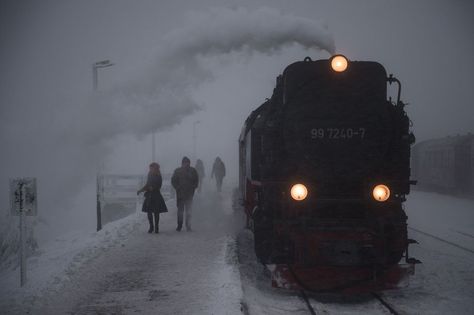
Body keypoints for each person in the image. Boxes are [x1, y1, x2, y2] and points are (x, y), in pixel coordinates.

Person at [137, 162, 168, 233]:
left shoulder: (158, 175)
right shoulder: (149, 174)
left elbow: (159, 185)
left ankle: (156, 227)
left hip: (156, 195)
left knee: (156, 212)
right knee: (149, 212)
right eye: (150, 168)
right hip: (149, 196)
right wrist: (141, 190)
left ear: (155, 168)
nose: (150, 169)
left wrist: (153, 188)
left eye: (151, 168)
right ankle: (151, 226)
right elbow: (147, 184)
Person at [171, 156, 199, 231]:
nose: (186, 164)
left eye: (187, 163)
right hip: (180, 194)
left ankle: (188, 225)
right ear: (182, 163)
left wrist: (193, 187)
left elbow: (196, 180)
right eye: (185, 163)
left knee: (188, 211)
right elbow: (173, 181)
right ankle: (179, 225)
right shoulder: (177, 171)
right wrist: (177, 187)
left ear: (189, 163)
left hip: (189, 194)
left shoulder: (193, 171)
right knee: (180, 211)